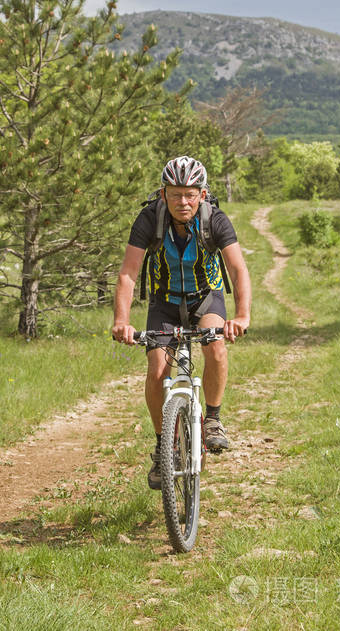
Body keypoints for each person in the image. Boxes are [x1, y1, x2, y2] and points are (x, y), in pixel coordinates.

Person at [112, 155, 252, 489]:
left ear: (202, 194)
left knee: (215, 346)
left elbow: (237, 269)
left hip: (206, 296)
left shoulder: (215, 220)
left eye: (190, 194)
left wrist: (241, 316)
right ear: (163, 194)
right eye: (175, 194)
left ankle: (213, 419)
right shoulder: (149, 219)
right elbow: (129, 273)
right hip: (164, 301)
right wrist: (121, 321)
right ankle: (164, 447)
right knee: (157, 369)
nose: (183, 202)